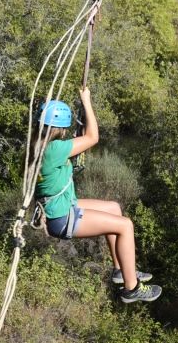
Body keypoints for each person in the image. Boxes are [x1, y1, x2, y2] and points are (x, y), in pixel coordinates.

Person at [34, 87, 161, 304]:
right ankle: (132, 288)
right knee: (125, 225)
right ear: (60, 129)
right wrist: (87, 102)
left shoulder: (39, 147)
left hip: (60, 207)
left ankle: (121, 270)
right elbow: (93, 137)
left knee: (113, 208)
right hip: (62, 217)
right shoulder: (54, 150)